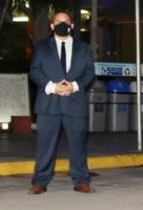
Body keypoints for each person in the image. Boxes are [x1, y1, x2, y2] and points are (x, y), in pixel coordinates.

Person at [28, 11, 97, 194]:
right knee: (45, 145)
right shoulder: (42, 47)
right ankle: (40, 181)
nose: (62, 24)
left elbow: (90, 72)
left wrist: (74, 86)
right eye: (58, 22)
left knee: (78, 145)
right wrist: (52, 86)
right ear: (51, 26)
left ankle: (81, 181)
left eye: (66, 22)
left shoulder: (84, 48)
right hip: (48, 103)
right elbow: (34, 71)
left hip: (75, 103)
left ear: (72, 26)